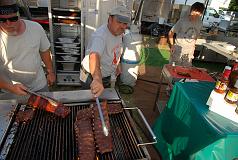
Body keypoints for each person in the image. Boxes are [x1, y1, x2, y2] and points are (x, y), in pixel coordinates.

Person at [0, 0, 55, 96]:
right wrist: (11, 88)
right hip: (10, 90)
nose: (8, 24)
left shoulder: (36, 28)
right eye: (2, 20)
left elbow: (44, 51)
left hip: (39, 85)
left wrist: (50, 71)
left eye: (13, 19)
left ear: (19, 16)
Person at [80, 5, 131, 97]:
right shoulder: (100, 36)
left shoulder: (118, 32)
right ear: (110, 19)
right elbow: (94, 56)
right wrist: (97, 79)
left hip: (106, 75)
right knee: (89, 101)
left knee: (101, 101)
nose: (123, 26)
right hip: (90, 76)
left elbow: (116, 49)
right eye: (119, 22)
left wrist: (117, 64)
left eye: (125, 23)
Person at [168, 2, 205, 66]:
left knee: (186, 71)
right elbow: (171, 33)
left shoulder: (200, 23)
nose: (195, 13)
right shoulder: (182, 21)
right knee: (173, 69)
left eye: (197, 12)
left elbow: (196, 36)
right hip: (178, 50)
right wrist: (172, 45)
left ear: (201, 14)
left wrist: (193, 46)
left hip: (189, 52)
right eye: (194, 10)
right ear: (191, 10)